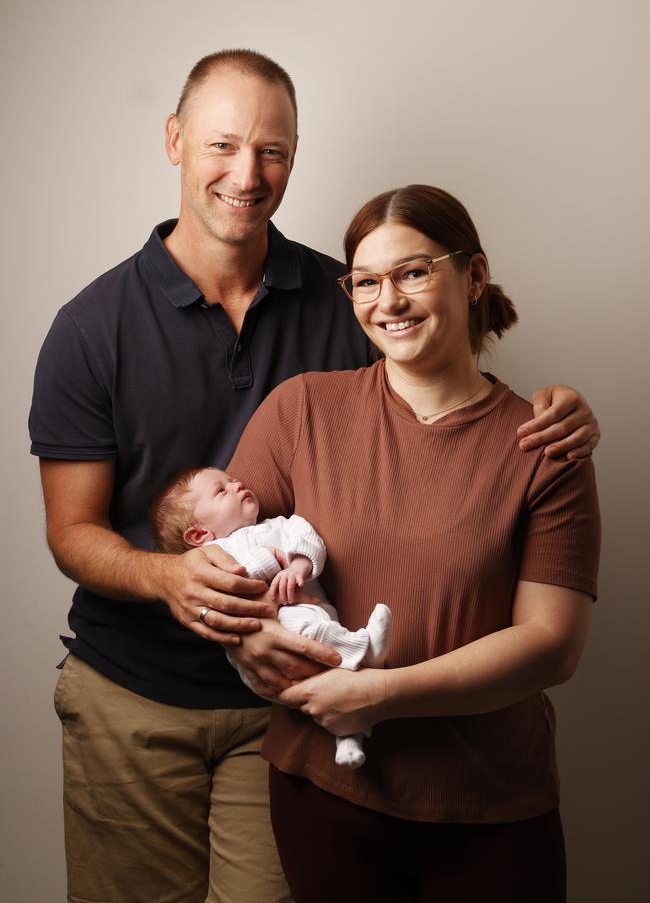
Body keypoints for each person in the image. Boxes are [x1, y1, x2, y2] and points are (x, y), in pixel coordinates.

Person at [29, 49, 600, 903]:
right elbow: (72, 532)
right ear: (175, 140)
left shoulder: (342, 307)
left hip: (291, 706)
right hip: (138, 693)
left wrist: (556, 409)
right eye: (223, 145)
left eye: (273, 152)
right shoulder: (92, 327)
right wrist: (179, 583)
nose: (247, 174)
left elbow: (431, 383)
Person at [224, 185, 600, 903]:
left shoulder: (547, 447)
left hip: (489, 809)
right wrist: (245, 641)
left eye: (414, 272)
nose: (387, 300)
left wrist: (378, 696)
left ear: (476, 276)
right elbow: (223, 561)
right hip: (323, 794)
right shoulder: (302, 410)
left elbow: (554, 646)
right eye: (366, 281)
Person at [151, 465, 392, 768]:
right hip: (261, 653)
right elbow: (231, 583)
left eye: (233, 480)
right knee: (311, 692)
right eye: (222, 490)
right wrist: (270, 559)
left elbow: (306, 535)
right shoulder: (213, 553)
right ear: (200, 533)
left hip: (306, 612)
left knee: (311, 638)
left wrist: (298, 566)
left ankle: (352, 712)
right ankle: (355, 693)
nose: (237, 484)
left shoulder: (277, 525)